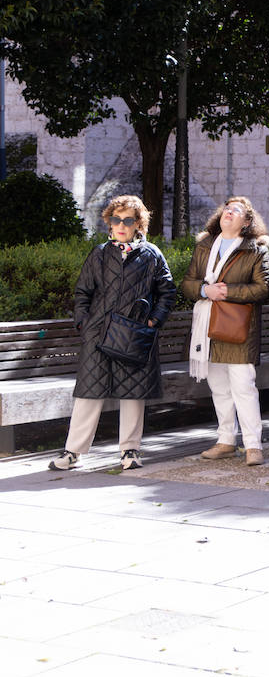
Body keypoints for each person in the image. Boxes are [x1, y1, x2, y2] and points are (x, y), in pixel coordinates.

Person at [49, 196, 175, 472]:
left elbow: (167, 292)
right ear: (109, 221)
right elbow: (83, 292)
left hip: (134, 332)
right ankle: (73, 451)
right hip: (99, 333)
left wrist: (153, 321)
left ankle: (130, 450)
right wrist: (84, 323)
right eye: (116, 219)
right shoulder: (99, 253)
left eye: (127, 220)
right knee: (89, 393)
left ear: (137, 223)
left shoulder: (151, 254)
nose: (121, 225)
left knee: (132, 393)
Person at [180, 197, 269, 466]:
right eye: (226, 209)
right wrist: (203, 290)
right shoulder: (205, 245)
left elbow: (263, 288)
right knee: (218, 387)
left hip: (238, 328)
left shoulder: (256, 249)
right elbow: (187, 282)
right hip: (207, 326)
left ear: (246, 222)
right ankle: (225, 441)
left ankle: (253, 445)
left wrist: (227, 292)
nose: (228, 213)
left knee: (244, 387)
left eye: (236, 211)